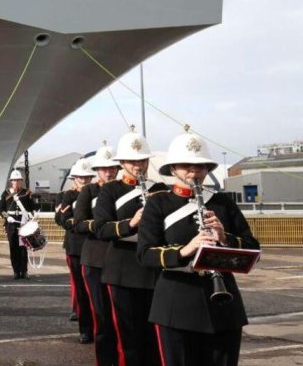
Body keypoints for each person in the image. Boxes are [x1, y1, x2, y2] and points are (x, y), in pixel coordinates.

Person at [138, 128, 259, 366]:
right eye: (186, 166)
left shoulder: (222, 202)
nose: (194, 172)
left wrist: (225, 238)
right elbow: (145, 254)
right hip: (177, 301)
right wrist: (186, 249)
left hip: (224, 304)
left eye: (201, 166)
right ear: (173, 169)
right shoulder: (158, 203)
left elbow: (253, 248)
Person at [94, 127, 166, 366]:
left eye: (142, 161)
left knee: (155, 336)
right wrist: (132, 223)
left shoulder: (159, 190)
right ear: (122, 162)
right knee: (129, 336)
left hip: (154, 269)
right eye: (132, 161)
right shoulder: (111, 191)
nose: (138, 166)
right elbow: (101, 229)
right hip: (123, 270)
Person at [73, 142, 121, 366]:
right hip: (96, 258)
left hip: (122, 259)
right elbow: (79, 223)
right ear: (97, 171)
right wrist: (104, 226)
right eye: (103, 168)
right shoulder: (89, 191)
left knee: (124, 318)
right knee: (102, 316)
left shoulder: (125, 190)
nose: (108, 172)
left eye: (112, 168)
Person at [55, 159, 95, 344]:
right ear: (75, 178)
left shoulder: (98, 193)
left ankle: (98, 326)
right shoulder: (68, 196)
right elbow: (63, 219)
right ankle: (85, 329)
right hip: (76, 247)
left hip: (95, 246)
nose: (85, 180)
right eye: (81, 177)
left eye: (88, 177)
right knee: (81, 290)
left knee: (97, 292)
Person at [0, 169, 39, 279]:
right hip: (11, 224)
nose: (16, 182)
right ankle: (16, 271)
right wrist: (7, 217)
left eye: (18, 180)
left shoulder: (26, 192)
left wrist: (34, 214)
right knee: (13, 248)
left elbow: (33, 207)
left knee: (23, 248)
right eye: (14, 180)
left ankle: (24, 271)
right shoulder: (5, 193)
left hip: (23, 224)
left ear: (21, 181)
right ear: (11, 181)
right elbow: (0, 209)